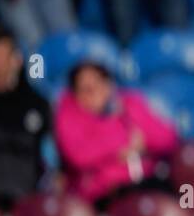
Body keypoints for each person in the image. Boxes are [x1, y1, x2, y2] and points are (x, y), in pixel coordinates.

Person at [53, 60, 178, 206]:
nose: (94, 94)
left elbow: (168, 138)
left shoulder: (130, 104)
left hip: (147, 182)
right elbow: (78, 154)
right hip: (103, 193)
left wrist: (144, 142)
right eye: (86, 90)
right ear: (75, 94)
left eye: (99, 84)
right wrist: (121, 143)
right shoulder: (68, 113)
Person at [0, 26, 50, 206]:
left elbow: (52, 159)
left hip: (27, 202)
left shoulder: (37, 105)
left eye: (0, 59)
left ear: (16, 60)